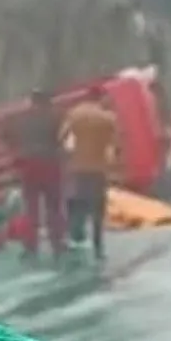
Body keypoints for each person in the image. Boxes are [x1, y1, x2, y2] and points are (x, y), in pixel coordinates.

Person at [3, 89, 66, 260]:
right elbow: (64, 138)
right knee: (54, 205)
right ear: (47, 102)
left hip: (28, 163)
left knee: (31, 207)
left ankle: (30, 246)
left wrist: (17, 149)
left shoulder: (21, 119)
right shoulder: (56, 117)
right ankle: (57, 244)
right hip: (50, 162)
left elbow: (6, 133)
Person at [62, 85, 118, 262]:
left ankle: (74, 237)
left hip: (77, 168)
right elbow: (113, 145)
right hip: (98, 168)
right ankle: (98, 246)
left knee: (77, 203)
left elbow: (63, 137)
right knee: (97, 208)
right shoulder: (108, 118)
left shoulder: (74, 114)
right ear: (100, 98)